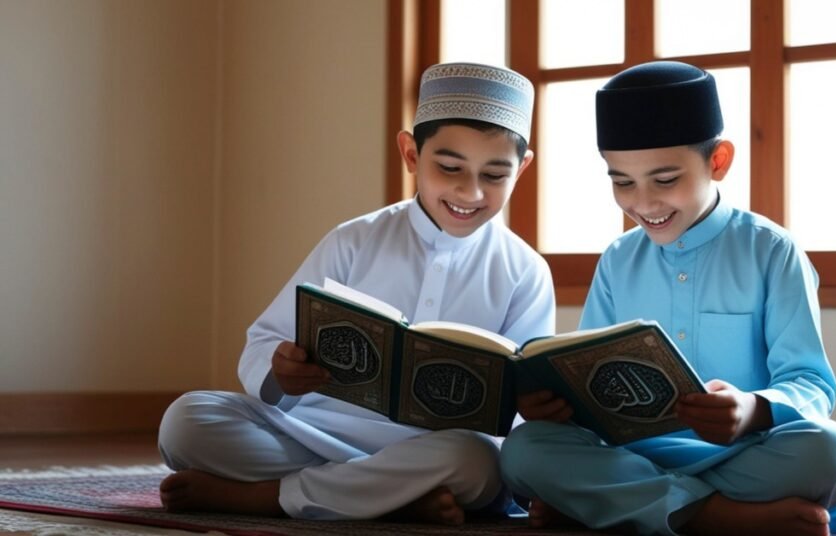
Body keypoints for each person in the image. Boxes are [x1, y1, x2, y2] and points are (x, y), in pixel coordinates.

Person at [157, 62, 554, 525]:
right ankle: (396, 498)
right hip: (316, 431)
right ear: (411, 154)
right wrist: (281, 372)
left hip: (438, 449)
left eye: (495, 175)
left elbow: (520, 404)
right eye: (449, 168)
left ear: (522, 169)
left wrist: (528, 405)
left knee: (477, 463)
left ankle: (270, 498)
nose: (470, 191)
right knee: (186, 422)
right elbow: (265, 341)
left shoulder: (525, 271)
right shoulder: (354, 241)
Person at [499, 61, 836, 536]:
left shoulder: (771, 251)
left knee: (835, 452)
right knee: (523, 450)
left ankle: (613, 505)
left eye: (665, 180)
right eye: (623, 182)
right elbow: (589, 379)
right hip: (634, 453)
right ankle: (719, 517)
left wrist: (751, 409)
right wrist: (556, 403)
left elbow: (810, 382)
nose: (644, 204)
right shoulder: (618, 259)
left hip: (745, 452)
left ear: (717, 161)